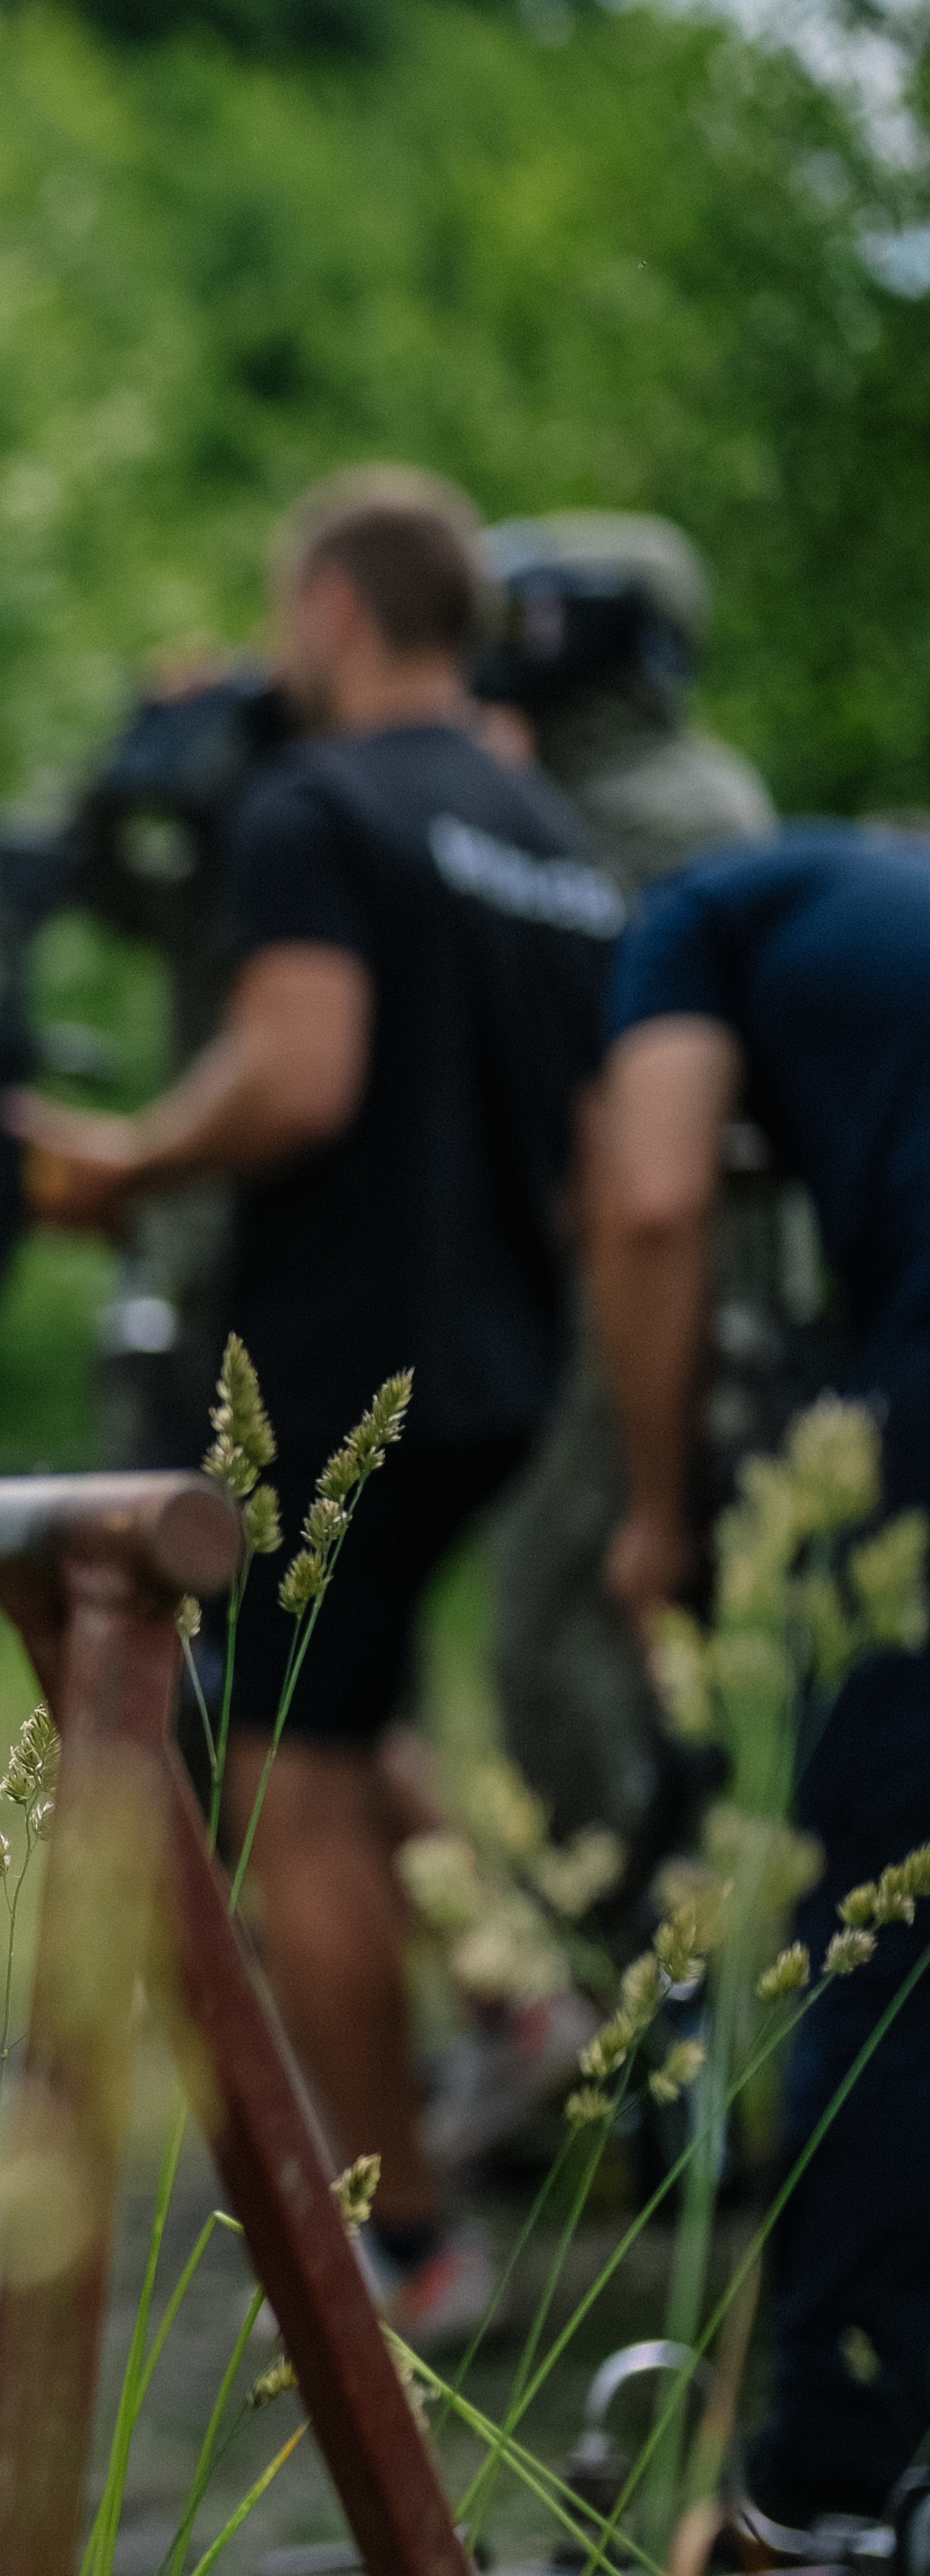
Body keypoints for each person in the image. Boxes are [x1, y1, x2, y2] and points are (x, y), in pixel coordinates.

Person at [10, 467, 625, 2344]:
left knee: (283, 1782)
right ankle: (521, 1997)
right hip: (513, 1359)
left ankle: (413, 2237)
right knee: (348, 1720)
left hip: (336, 1372)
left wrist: (123, 1158)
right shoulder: (545, 824)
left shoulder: (316, 807)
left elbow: (294, 1073)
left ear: (339, 612)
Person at [586, 827, 930, 2528]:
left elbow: (654, 1190)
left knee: (884, 1919)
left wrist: (663, 1513)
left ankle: (831, 2496)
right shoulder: (875, 910)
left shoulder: (696, 915)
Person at [467, 517, 779, 2002]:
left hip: (667, 1262)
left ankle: (635, 2005)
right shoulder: (574, 795)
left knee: (569, 1612)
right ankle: (632, 1994)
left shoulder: (669, 809)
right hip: (595, 1251)